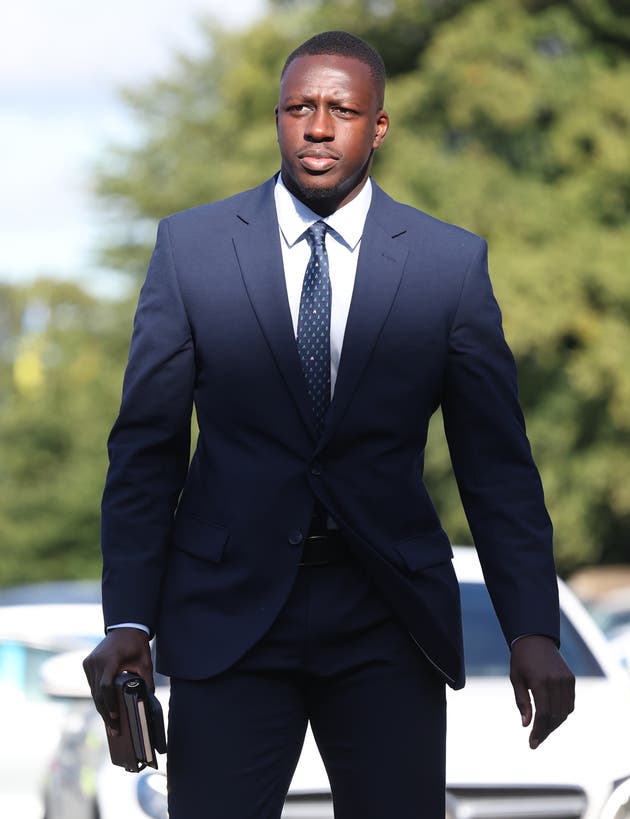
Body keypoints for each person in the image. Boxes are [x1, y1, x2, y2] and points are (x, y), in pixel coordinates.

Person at [84, 30, 575, 819]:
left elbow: (498, 468)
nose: (318, 126)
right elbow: (145, 451)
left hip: (387, 617)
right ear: (277, 118)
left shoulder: (448, 266)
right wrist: (130, 616)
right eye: (299, 108)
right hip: (227, 617)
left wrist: (531, 628)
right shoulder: (193, 251)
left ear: (377, 125)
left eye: (341, 109)